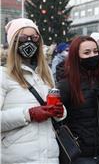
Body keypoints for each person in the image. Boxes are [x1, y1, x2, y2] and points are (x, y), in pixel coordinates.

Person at [1, 18, 66, 164]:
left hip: (49, 157)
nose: (29, 41)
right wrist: (28, 114)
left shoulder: (46, 71)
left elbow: (52, 103)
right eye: (23, 37)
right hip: (16, 158)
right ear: (13, 43)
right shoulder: (3, 74)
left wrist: (60, 111)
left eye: (34, 37)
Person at [57, 36, 99, 164]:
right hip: (80, 155)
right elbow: (58, 121)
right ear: (75, 56)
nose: (93, 55)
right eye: (87, 52)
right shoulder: (65, 85)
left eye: (95, 51)